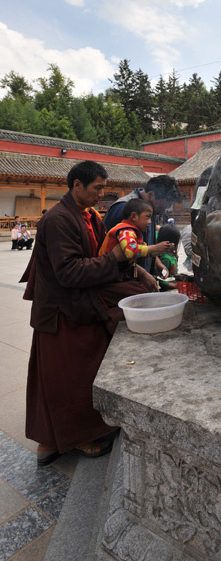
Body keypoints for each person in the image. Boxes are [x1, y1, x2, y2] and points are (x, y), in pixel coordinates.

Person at [22, 160, 157, 467]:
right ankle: (74, 438)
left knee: (70, 372)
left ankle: (57, 438)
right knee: (69, 377)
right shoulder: (58, 220)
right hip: (61, 310)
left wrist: (136, 270)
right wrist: (115, 258)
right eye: (97, 188)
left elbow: (98, 254)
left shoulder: (89, 216)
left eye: (103, 188)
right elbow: (69, 272)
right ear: (77, 186)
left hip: (79, 302)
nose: (101, 194)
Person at [103, 175, 180, 275]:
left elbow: (145, 245)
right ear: (151, 194)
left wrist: (156, 261)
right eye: (164, 206)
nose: (164, 211)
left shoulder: (149, 210)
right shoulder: (124, 208)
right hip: (121, 280)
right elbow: (120, 251)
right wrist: (142, 273)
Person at [98, 199, 171, 269]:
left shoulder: (131, 231)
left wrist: (161, 250)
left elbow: (140, 253)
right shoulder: (125, 230)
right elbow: (130, 251)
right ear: (134, 216)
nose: (150, 222)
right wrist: (156, 247)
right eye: (147, 217)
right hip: (106, 270)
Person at [156, 224, 181, 289]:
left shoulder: (172, 255)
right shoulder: (166, 259)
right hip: (167, 290)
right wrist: (174, 286)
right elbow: (161, 280)